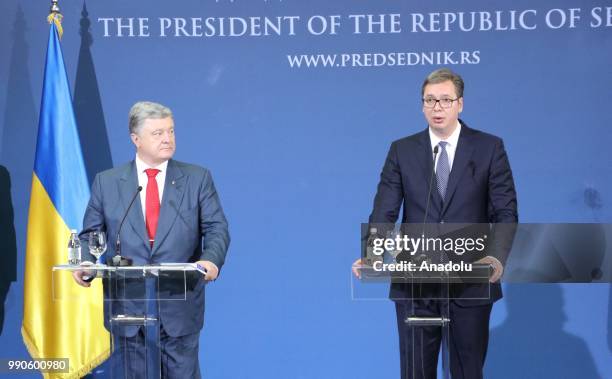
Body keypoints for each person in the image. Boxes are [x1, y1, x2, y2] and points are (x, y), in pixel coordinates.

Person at [352, 68, 518, 379]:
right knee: (415, 373)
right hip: (416, 284)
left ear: (460, 104)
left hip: (470, 282)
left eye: (444, 100)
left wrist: (495, 258)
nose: (437, 107)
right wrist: (374, 255)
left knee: (467, 372)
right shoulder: (402, 150)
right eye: (430, 100)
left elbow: (506, 211)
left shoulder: (488, 148)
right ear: (422, 105)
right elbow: (384, 209)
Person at [73, 101, 230, 378]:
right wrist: (86, 261)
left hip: (179, 306)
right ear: (136, 139)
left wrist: (211, 259)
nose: (168, 138)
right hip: (127, 308)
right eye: (158, 133)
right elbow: (90, 235)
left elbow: (217, 227)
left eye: (170, 131)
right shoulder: (107, 183)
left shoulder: (197, 179)